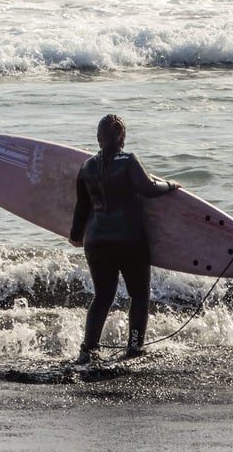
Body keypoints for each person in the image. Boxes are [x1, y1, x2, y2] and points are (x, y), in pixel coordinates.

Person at [69, 114, 180, 364]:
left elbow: (82, 208)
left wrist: (76, 235)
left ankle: (88, 349)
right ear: (123, 137)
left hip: (96, 242)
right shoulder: (129, 160)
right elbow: (150, 187)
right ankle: (134, 348)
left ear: (98, 138)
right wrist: (171, 185)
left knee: (103, 296)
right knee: (139, 296)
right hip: (129, 239)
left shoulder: (87, 166)